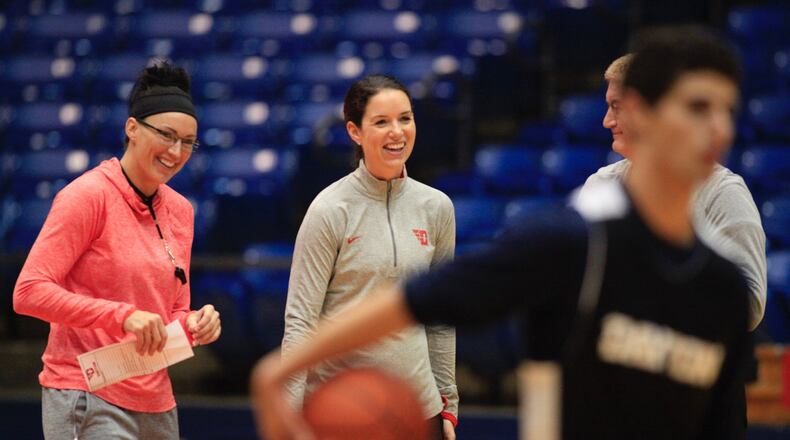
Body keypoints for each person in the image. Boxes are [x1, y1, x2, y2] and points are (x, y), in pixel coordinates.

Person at [252, 26, 752, 439]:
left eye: (727, 111)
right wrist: (277, 373)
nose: (719, 129)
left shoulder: (724, 287)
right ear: (641, 111)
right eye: (697, 108)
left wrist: (443, 403)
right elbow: (420, 301)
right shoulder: (571, 242)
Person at [13, 60, 221, 440]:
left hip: (156, 402)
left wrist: (192, 324)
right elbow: (28, 293)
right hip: (86, 393)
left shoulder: (181, 210)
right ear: (132, 129)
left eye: (188, 142)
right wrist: (123, 316)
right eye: (167, 135)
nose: (176, 152)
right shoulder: (87, 196)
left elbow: (171, 311)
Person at [280, 74, 458, 440]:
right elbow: (300, 323)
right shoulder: (329, 210)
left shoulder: (437, 208)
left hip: (418, 411)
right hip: (344, 413)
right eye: (381, 122)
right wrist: (289, 420)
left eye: (405, 118)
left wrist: (448, 406)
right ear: (355, 131)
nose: (397, 132)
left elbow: (440, 317)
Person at [584, 52, 767, 331]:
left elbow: (750, 304)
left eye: (617, 106)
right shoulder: (601, 184)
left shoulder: (723, 191)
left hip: (688, 360)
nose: (607, 121)